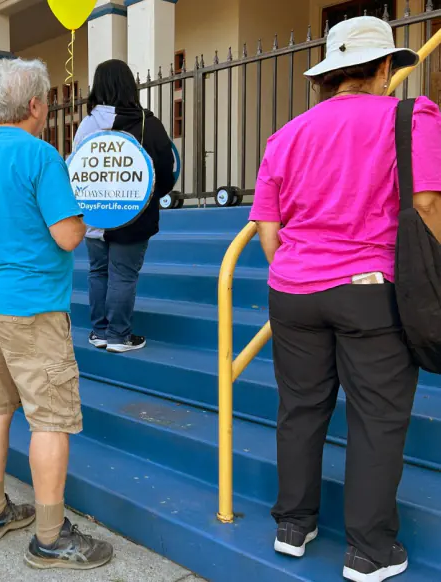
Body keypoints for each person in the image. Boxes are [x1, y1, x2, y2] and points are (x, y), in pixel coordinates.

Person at [251, 17, 441, 582]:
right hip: (370, 292)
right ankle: (370, 551)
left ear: (328, 77)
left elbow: (267, 232)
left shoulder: (286, 135)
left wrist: (304, 269)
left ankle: (293, 524)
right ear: (386, 69)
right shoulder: (414, 116)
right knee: (377, 419)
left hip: (292, 293)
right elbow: (428, 204)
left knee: (301, 410)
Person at [0, 58, 114, 570]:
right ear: (34, 105)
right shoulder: (41, 155)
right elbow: (68, 235)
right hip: (32, 308)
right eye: (46, 100)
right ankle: (50, 537)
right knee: (50, 420)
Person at [74, 59, 176, 353]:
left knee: (98, 272)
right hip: (135, 217)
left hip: (94, 215)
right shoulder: (149, 124)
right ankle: (119, 335)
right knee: (124, 274)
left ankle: (100, 332)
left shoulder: (87, 126)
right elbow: (165, 174)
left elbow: (77, 171)